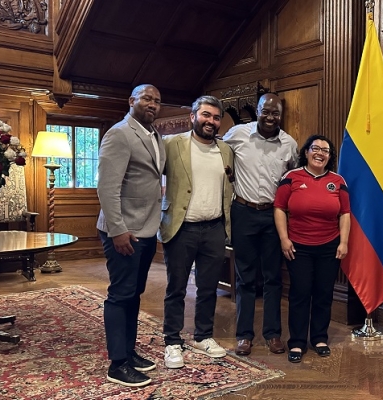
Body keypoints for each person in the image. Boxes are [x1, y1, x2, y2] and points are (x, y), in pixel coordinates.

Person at [97, 84, 166, 387]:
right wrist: (118, 230)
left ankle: (128, 350)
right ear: (132, 101)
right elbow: (107, 188)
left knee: (133, 293)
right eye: (147, 98)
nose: (152, 104)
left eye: (157, 101)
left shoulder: (155, 135)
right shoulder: (119, 133)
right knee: (120, 295)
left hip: (147, 230)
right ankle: (118, 364)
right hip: (124, 232)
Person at [158, 95, 235, 369]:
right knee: (176, 287)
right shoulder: (173, 144)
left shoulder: (225, 151)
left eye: (215, 117)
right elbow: (151, 174)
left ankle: (203, 336)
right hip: (181, 229)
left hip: (214, 228)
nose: (210, 121)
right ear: (193, 116)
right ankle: (172, 341)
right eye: (205, 115)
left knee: (207, 288)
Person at [222, 93, 298, 356]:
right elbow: (217, 151)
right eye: (265, 111)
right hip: (243, 211)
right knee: (244, 278)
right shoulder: (238, 134)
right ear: (257, 111)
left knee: (273, 277)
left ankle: (273, 334)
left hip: (273, 215)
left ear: (280, 115)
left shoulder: (289, 143)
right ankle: (244, 335)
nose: (270, 117)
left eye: (275, 113)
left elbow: (294, 176)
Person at [274, 134, 350, 363]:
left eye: (325, 150)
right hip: (298, 247)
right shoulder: (291, 177)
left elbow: (345, 213)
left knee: (324, 293)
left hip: (329, 246)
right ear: (306, 152)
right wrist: (284, 239)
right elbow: (279, 208)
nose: (320, 153)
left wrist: (344, 242)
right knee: (300, 293)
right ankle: (297, 342)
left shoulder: (338, 181)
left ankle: (319, 338)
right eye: (315, 148)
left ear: (330, 156)